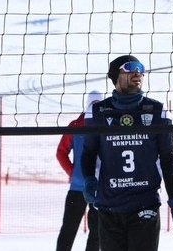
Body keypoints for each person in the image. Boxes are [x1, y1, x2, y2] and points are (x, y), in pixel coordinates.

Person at [81, 55, 173, 251]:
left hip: (145, 204)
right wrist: (88, 179)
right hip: (109, 206)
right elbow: (88, 152)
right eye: (130, 67)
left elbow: (167, 158)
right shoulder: (98, 112)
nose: (137, 72)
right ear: (116, 75)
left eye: (141, 68)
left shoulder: (157, 111)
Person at [56, 91, 103, 251]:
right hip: (83, 187)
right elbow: (61, 152)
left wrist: (73, 172)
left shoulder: (105, 125)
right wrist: (73, 172)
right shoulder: (76, 126)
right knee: (71, 230)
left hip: (98, 188)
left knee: (95, 232)